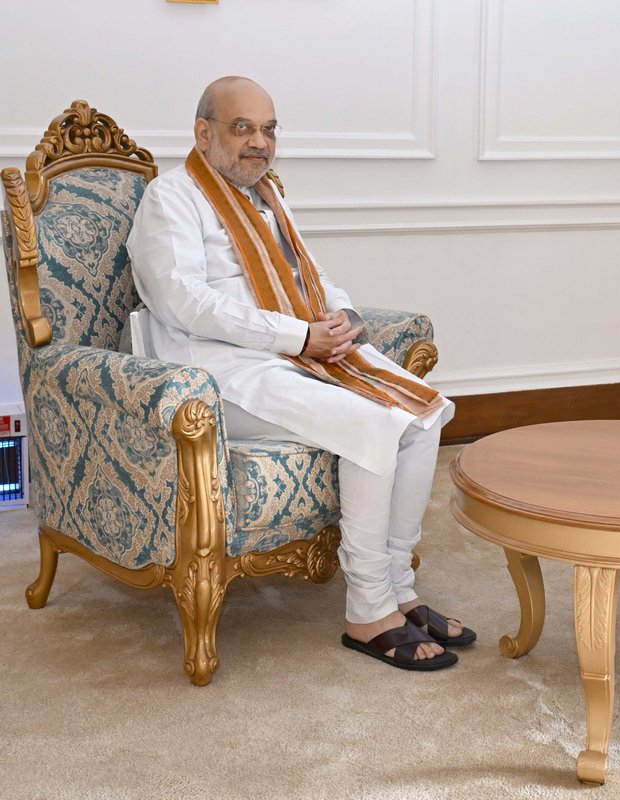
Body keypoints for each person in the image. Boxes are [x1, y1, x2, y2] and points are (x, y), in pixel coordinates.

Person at [127, 76, 473, 672]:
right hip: (214, 376)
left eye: (268, 128)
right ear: (203, 132)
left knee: (422, 409)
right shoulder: (171, 198)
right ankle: (367, 610)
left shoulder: (266, 196)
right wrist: (299, 337)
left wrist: (344, 319)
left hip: (293, 351)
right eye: (243, 128)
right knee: (375, 423)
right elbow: (182, 302)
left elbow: (307, 272)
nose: (259, 142)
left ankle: (397, 587)